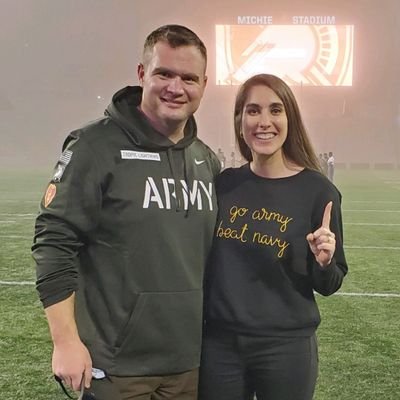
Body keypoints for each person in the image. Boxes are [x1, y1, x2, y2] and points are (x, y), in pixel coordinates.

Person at [32, 24, 220, 400]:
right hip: (115, 368)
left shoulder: (205, 159)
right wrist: (65, 341)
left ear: (203, 83)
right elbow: (53, 241)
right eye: (163, 73)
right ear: (141, 74)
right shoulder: (95, 146)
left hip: (188, 366)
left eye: (188, 78)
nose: (175, 87)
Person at [199, 74, 348, 400]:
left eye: (275, 110)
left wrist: (323, 262)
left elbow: (330, 282)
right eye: (253, 111)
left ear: (289, 118)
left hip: (286, 348)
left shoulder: (318, 191)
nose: (264, 121)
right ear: (240, 121)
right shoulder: (224, 184)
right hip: (220, 345)